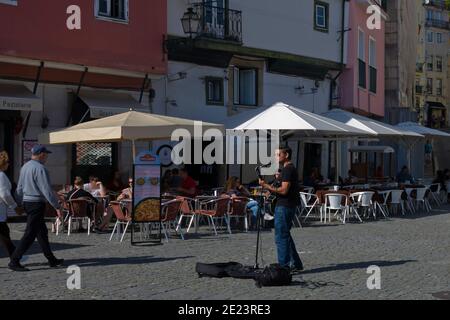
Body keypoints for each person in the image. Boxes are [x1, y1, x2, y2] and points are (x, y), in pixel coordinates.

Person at [9, 145, 64, 272]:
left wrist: (20, 203)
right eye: (46, 154)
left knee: (42, 233)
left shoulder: (25, 167)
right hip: (36, 203)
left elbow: (19, 189)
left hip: (28, 202)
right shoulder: (41, 169)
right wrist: (57, 206)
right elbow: (46, 190)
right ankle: (14, 260)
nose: (47, 157)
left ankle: (51, 259)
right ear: (41, 154)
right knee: (30, 234)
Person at [259, 146, 303, 272]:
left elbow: (284, 190)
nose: (275, 157)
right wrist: (269, 188)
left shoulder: (288, 169)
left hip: (285, 205)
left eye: (278, 154)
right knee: (285, 235)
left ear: (287, 155)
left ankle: (284, 267)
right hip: (284, 204)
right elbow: (278, 189)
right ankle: (296, 264)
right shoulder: (285, 170)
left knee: (281, 237)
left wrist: (265, 185)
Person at [0, 151, 24, 257]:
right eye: (7, 162)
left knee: (4, 233)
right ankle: (15, 256)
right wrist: (15, 207)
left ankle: (14, 255)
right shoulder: (1, 175)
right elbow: (5, 194)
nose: (8, 164)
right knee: (4, 233)